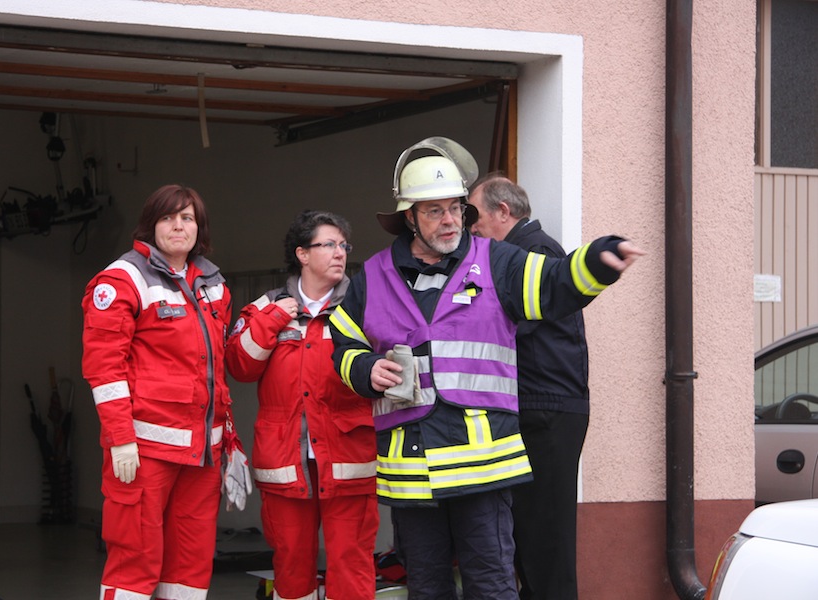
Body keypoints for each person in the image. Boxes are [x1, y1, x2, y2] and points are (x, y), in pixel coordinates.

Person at [329, 137, 644, 600]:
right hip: (411, 473)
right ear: (410, 218)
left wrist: (597, 261)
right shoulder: (372, 278)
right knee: (427, 589)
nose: (450, 220)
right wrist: (364, 368)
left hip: (483, 470)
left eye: (455, 208)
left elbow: (554, 283)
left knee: (491, 586)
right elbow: (343, 342)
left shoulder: (496, 262)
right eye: (434, 211)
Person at [82, 184, 246, 600]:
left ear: (199, 227)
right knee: (134, 563)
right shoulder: (122, 279)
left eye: (187, 218)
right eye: (168, 217)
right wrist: (121, 439)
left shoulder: (213, 284)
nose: (178, 226)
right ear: (150, 225)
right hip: (144, 452)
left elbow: (216, 371)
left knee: (190, 567)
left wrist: (228, 441)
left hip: (203, 453)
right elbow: (105, 368)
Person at [226, 210, 379, 600]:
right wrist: (273, 319)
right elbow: (239, 367)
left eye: (344, 245)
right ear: (302, 254)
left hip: (348, 457)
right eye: (329, 244)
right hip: (285, 461)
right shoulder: (266, 306)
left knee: (351, 564)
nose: (340, 253)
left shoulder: (366, 305)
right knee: (292, 565)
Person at [468, 174, 589, 600]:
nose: (471, 227)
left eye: (475, 216)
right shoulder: (524, 252)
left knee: (546, 544)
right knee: (529, 540)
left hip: (547, 411)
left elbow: (508, 325)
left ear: (503, 211)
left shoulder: (533, 253)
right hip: (539, 408)